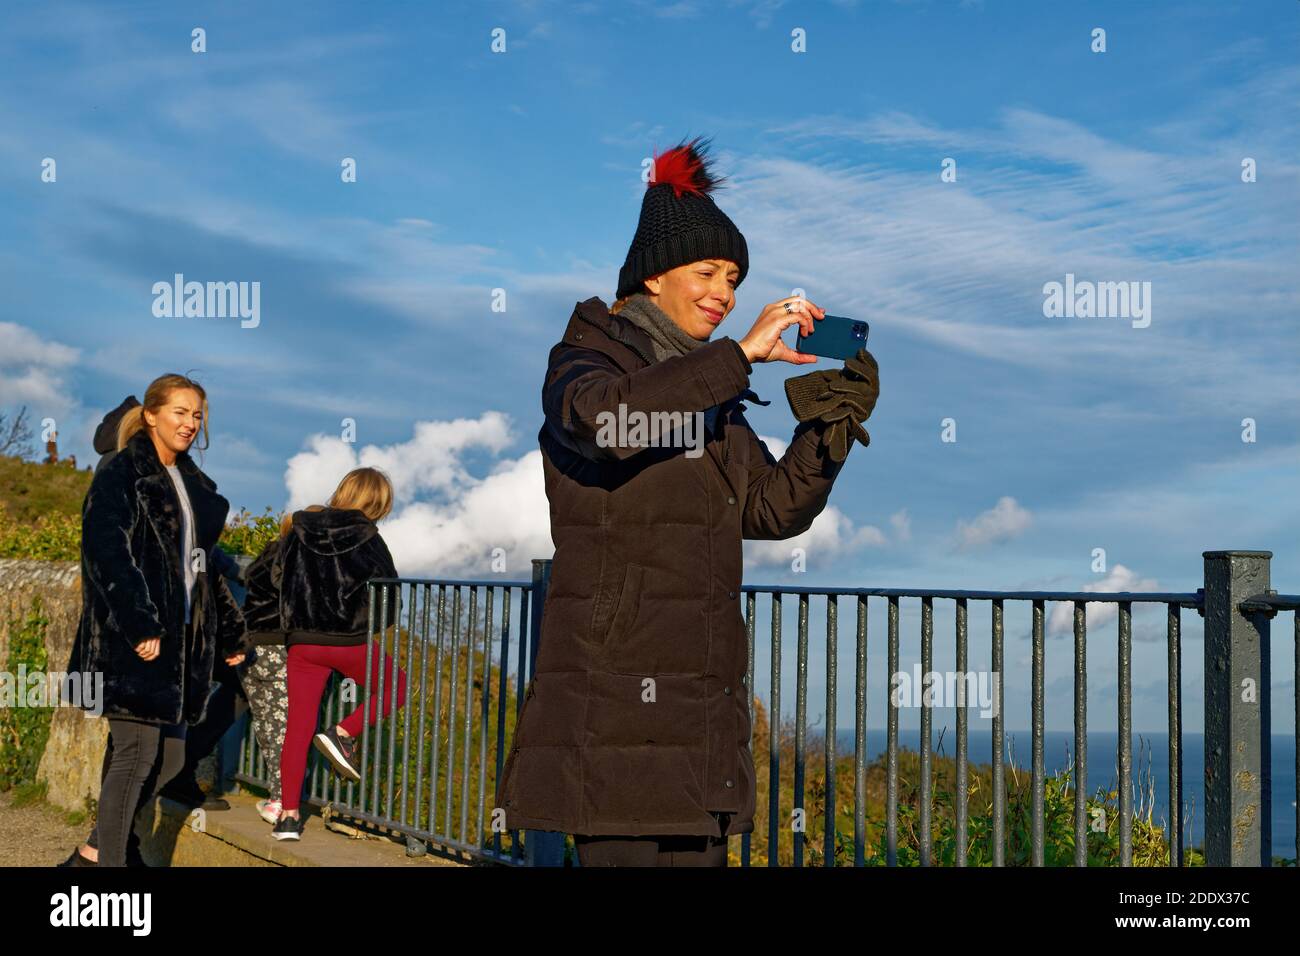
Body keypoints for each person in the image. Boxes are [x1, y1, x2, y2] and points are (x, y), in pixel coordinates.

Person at [495, 136, 880, 866]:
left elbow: (769, 512)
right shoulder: (585, 358)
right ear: (651, 278)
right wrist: (737, 358)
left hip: (701, 708)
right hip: (611, 703)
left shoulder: (713, 390)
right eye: (708, 271)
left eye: (734, 277)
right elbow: (610, 424)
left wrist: (827, 427)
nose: (726, 293)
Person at [60, 374, 248, 867]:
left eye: (197, 415)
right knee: (135, 756)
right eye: (180, 412)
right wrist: (140, 622)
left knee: (170, 758)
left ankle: (93, 854)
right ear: (151, 415)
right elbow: (107, 553)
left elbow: (202, 569)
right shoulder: (121, 474)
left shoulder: (191, 485)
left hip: (180, 648)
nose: (190, 423)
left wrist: (229, 630)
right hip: (131, 642)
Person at [272, 468, 406, 841]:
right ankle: (343, 732)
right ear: (377, 504)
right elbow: (389, 594)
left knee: (297, 729)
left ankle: (288, 817)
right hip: (348, 640)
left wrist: (294, 624)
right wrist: (371, 627)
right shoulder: (368, 536)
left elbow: (277, 577)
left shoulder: (299, 527)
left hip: (302, 641)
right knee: (396, 685)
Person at [236, 507, 323, 825]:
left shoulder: (267, 552)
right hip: (279, 647)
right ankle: (282, 800)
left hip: (251, 648)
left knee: (267, 725)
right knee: (290, 728)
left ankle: (277, 796)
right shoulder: (297, 556)